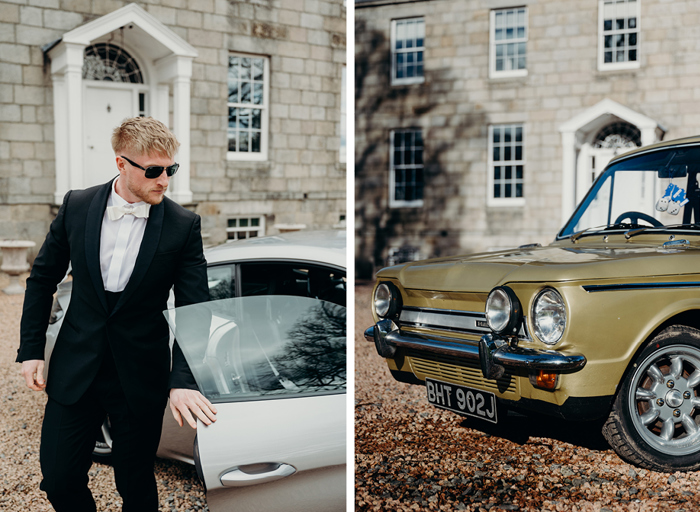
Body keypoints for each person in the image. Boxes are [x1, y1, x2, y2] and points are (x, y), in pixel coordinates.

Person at [16, 117, 218, 512]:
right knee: (58, 478)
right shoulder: (76, 205)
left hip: (140, 374)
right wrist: (31, 350)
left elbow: (197, 306)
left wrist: (184, 379)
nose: (164, 180)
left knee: (136, 484)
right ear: (121, 164)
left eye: (170, 169)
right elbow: (41, 280)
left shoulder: (183, 225)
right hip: (76, 366)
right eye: (154, 170)